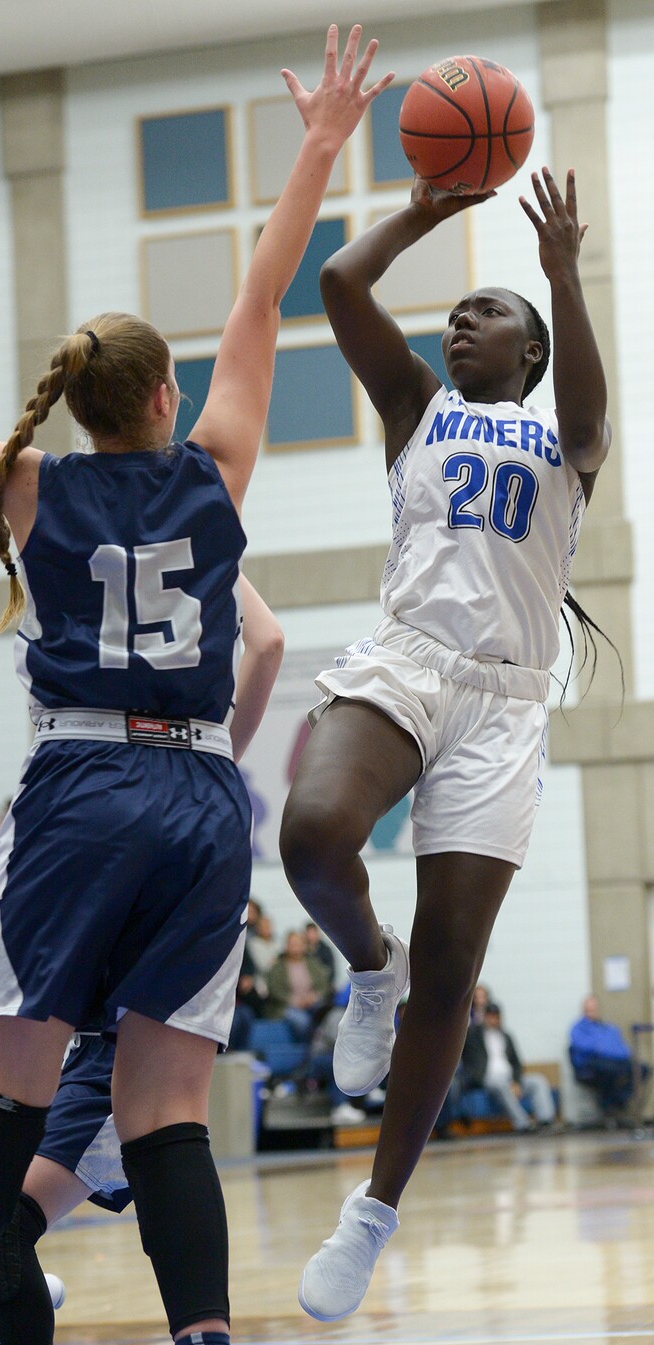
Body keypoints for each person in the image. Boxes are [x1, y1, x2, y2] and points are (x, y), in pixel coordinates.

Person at [0, 28, 394, 1341]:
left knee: (4, 1093)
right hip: (204, 800)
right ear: (163, 392)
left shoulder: (26, 484)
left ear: (76, 408)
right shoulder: (215, 470)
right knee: (166, 1115)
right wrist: (320, 144)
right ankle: (204, 1332)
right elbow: (265, 300)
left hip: (85, 786)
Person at [279, 165, 610, 1320]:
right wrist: (428, 209)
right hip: (408, 660)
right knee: (314, 834)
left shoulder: (564, 443)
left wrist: (561, 276)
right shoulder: (417, 406)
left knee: (456, 972)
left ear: (529, 352)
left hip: (506, 703)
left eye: (492, 314)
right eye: (457, 310)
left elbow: (587, 410)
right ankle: (369, 964)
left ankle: (371, 1215)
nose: (463, 318)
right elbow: (337, 278)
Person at [0, 575, 282, 1345]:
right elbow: (265, 643)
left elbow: (265, 644)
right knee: (3, 1221)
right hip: (98, 1044)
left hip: (105, 1059)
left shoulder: (80, 779)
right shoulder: (202, 768)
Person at [462, 1001, 555, 1131]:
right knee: (500, 1084)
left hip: (509, 1078)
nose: (493, 1019)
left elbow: (516, 1063)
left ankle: (546, 1120)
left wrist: (516, 1082)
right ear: (484, 1017)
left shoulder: (506, 1036)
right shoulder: (473, 1036)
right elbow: (467, 1059)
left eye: (496, 1016)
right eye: (490, 1016)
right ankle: (523, 1124)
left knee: (537, 1080)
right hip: (488, 1079)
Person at [569, 994, 640, 1120]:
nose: (591, 1012)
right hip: (590, 1065)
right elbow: (591, 1048)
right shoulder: (577, 1028)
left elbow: (623, 1050)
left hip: (615, 1062)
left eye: (593, 1009)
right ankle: (608, 1105)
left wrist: (610, 1051)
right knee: (609, 1070)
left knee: (640, 1069)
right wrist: (607, 1050)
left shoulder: (609, 1028)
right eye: (588, 1009)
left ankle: (618, 1100)